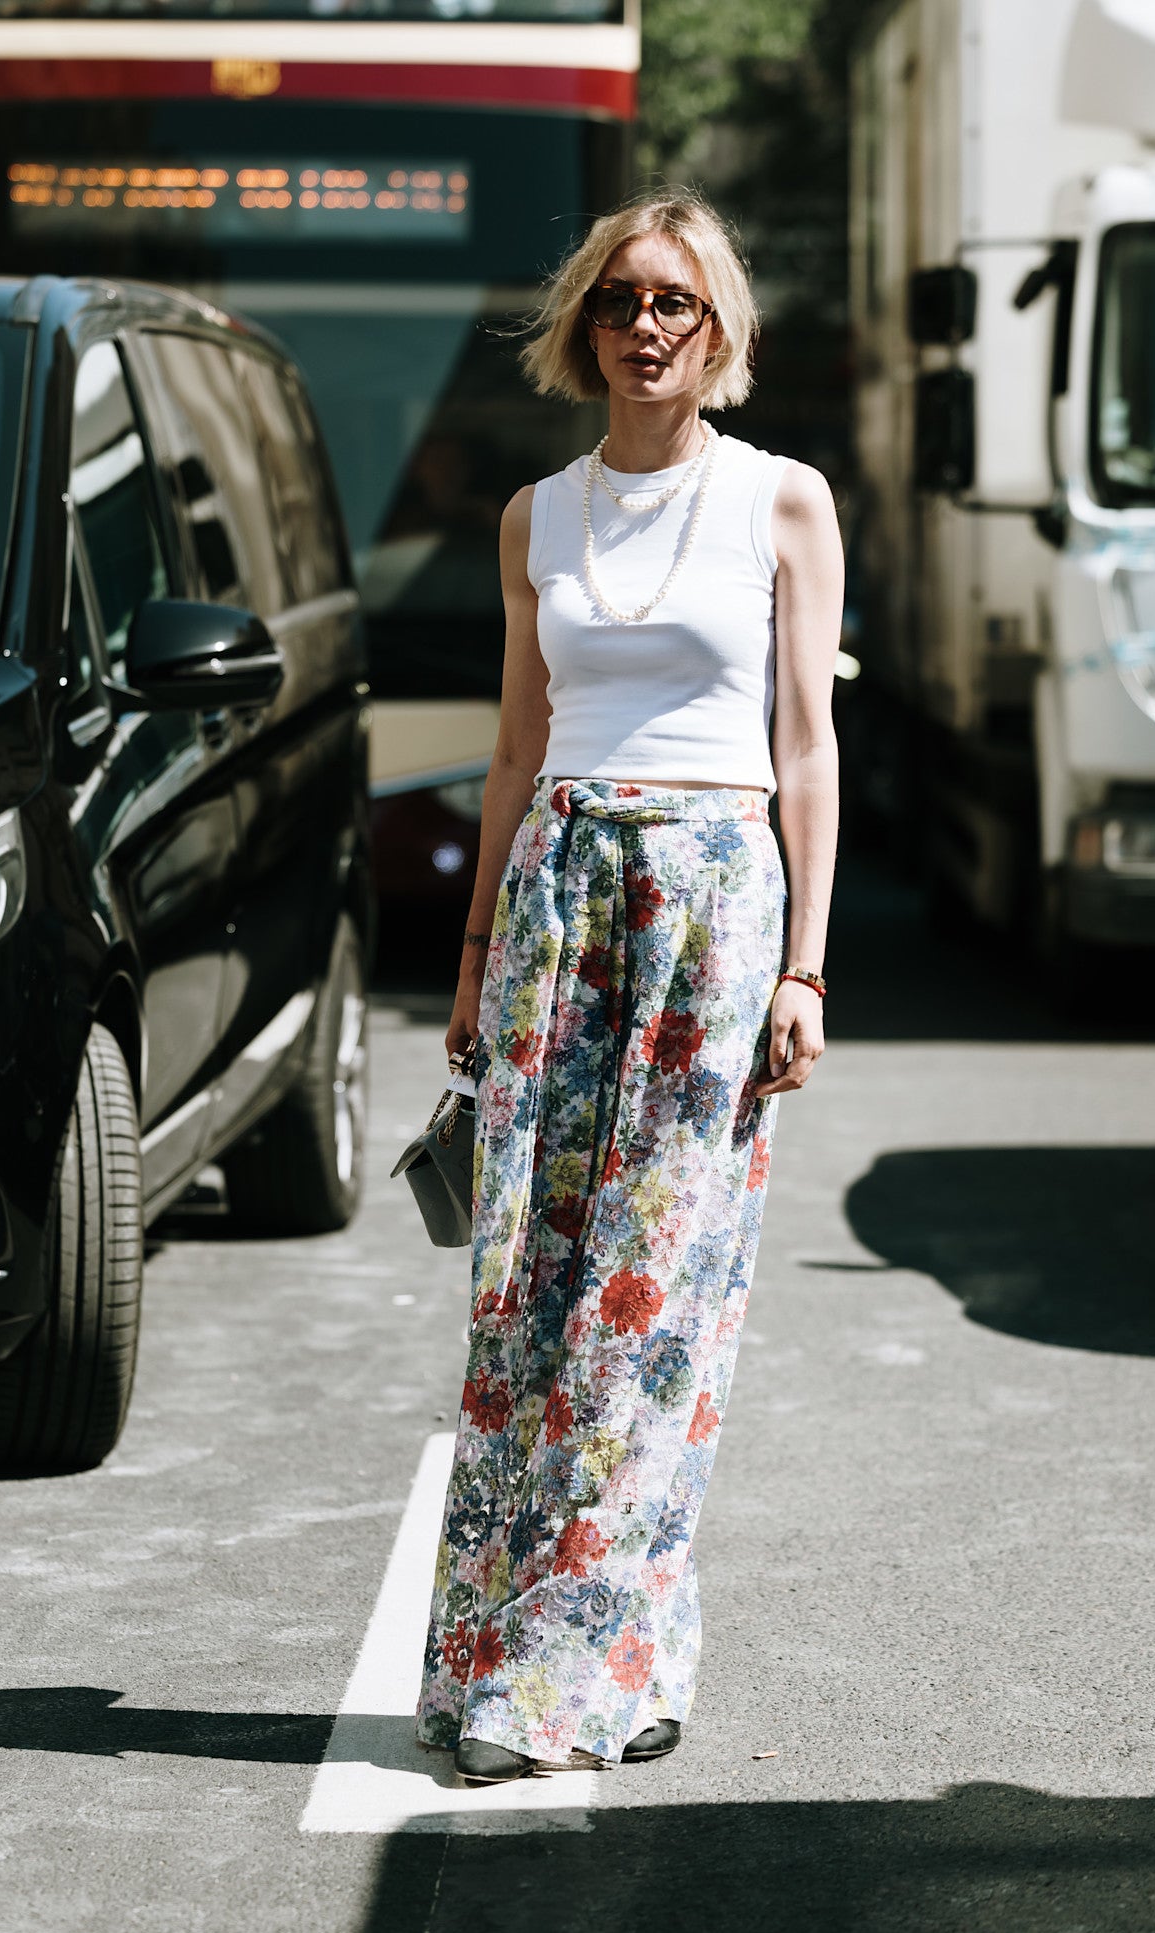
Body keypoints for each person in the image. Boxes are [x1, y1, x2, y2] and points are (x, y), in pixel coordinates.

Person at [415, 189, 843, 1784]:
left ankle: (578, 1674)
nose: (645, 327)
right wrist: (468, 965)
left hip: (714, 910)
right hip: (557, 903)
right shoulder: (538, 515)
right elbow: (519, 743)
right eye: (617, 303)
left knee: (653, 1307)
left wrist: (803, 964)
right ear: (582, 328)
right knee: (529, 1294)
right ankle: (521, 1656)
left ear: (717, 326)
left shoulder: (783, 503)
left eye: (674, 302)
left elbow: (806, 745)